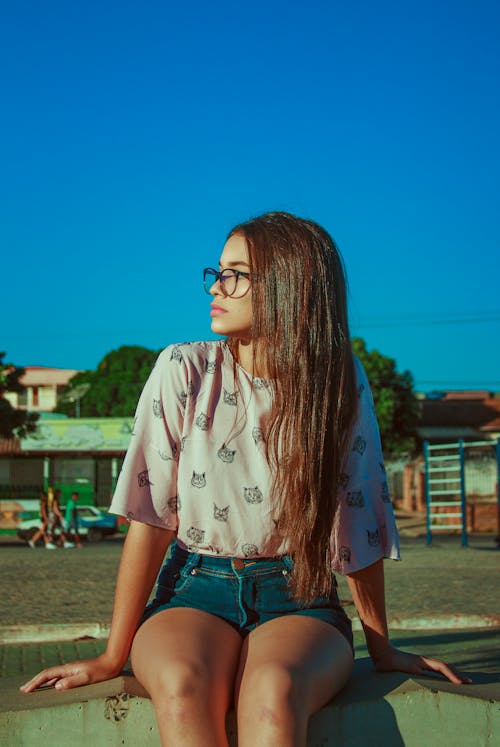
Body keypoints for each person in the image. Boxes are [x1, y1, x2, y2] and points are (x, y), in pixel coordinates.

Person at [21, 212, 470, 744]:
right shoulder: (184, 369)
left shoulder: (338, 380)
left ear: (289, 287)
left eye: (237, 274)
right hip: (192, 589)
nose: (217, 286)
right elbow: (151, 518)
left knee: (274, 692)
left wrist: (382, 648)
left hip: (300, 596)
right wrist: (111, 655)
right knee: (183, 686)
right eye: (218, 271)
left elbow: (357, 519)